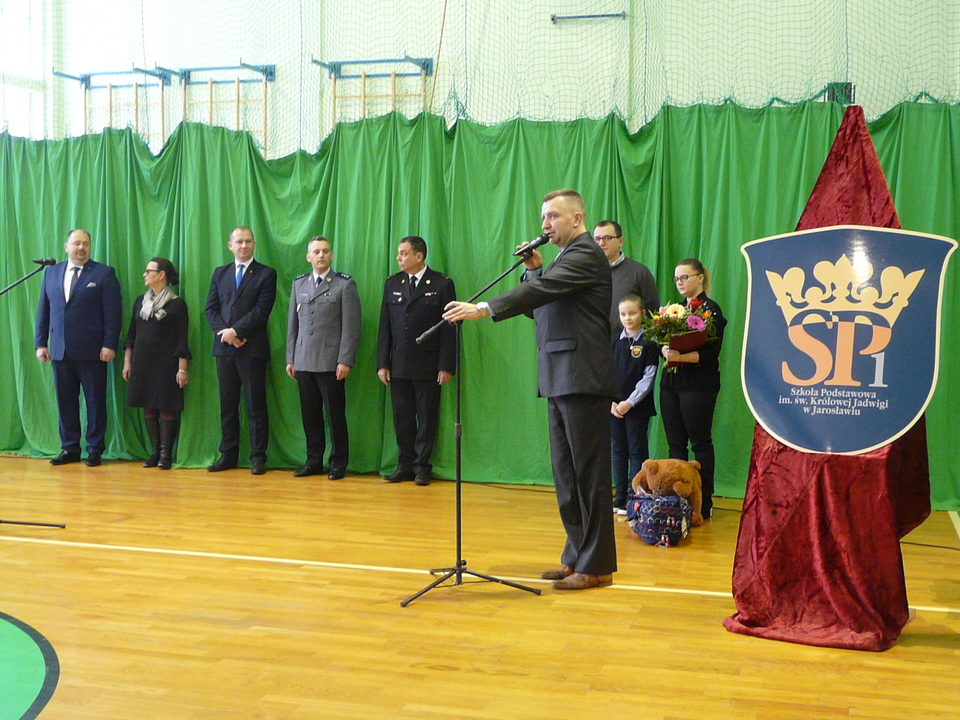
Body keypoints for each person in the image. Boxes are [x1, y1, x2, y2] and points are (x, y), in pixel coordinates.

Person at [443, 189, 619, 591]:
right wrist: (535, 272)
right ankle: (576, 555)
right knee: (567, 475)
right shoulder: (562, 260)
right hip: (560, 376)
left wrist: (483, 308)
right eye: (543, 217)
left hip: (582, 377)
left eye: (553, 216)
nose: (544, 225)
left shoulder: (585, 253)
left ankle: (597, 565)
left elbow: (540, 294)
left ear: (577, 219)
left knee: (588, 475)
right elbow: (543, 306)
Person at [35, 229, 123, 467]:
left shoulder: (104, 273)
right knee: (65, 402)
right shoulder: (51, 273)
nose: (81, 248)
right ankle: (69, 448)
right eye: (76, 243)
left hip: (93, 351)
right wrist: (40, 343)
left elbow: (113, 314)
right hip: (60, 350)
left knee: (95, 402)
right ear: (67, 246)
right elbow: (44, 310)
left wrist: (109, 344)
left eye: (85, 244)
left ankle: (95, 449)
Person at [377, 236, 456, 486]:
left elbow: (449, 329)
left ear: (419, 256)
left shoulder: (441, 283)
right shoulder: (392, 283)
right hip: (399, 364)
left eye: (403, 253)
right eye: (399, 253)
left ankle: (422, 467)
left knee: (427, 418)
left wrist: (446, 366)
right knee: (402, 418)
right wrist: (383, 363)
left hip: (428, 365)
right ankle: (404, 465)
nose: (399, 258)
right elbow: (385, 326)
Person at [286, 236, 362, 479]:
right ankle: (313, 461)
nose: (321, 255)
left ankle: (338, 462)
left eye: (325, 251)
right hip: (303, 359)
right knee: (310, 416)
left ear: (331, 255)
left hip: (330, 361)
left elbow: (351, 326)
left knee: (334, 415)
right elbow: (293, 324)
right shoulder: (299, 284)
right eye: (316, 252)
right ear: (308, 256)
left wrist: (345, 360)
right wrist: (291, 357)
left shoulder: (344, 284)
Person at [204, 226, 278, 475]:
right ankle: (228, 455)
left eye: (248, 241)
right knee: (227, 406)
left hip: (252, 349)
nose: (244, 245)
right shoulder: (220, 273)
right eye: (239, 242)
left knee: (255, 405)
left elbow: (262, 311)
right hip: (224, 349)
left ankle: (258, 457)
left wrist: (236, 332)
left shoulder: (266, 274)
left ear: (254, 244)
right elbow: (211, 309)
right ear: (230, 246)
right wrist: (226, 334)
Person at [659, 258, 727, 520]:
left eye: (684, 277)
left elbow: (711, 352)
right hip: (671, 383)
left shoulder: (710, 310)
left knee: (700, 443)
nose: (680, 282)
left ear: (700, 278)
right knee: (675, 445)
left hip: (698, 385)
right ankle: (678, 502)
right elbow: (661, 342)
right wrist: (664, 350)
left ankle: (703, 501)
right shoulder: (674, 310)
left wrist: (681, 357)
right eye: (677, 278)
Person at [122, 258, 190, 470]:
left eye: (148, 271)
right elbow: (131, 335)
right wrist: (127, 362)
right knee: (148, 408)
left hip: (166, 365)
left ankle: (165, 454)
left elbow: (183, 340)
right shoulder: (140, 302)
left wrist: (182, 369)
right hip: (142, 363)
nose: (145, 274)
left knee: (166, 409)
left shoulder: (177, 304)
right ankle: (154, 453)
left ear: (161, 275)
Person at [610, 294, 659, 514]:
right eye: (623, 314)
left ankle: (635, 497)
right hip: (614, 408)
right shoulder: (614, 341)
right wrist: (611, 402)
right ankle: (620, 496)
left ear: (642, 313)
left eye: (632, 313)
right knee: (618, 450)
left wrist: (629, 402)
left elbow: (649, 377)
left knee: (637, 450)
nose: (627, 318)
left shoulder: (649, 342)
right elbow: (605, 373)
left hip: (637, 408)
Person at [593, 220, 660, 335]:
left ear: (621, 241)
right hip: (594, 342)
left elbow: (653, 314)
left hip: (630, 344)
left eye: (607, 238)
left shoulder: (639, 272)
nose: (601, 243)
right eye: (597, 239)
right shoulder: (588, 273)